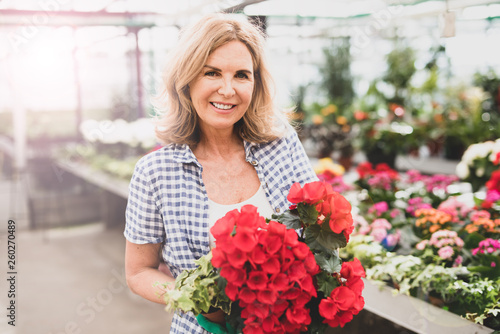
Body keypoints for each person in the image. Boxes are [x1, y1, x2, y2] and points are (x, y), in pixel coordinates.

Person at [124, 13, 318, 333]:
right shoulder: (154, 172)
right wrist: (199, 300)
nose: (227, 90)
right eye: (212, 72)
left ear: (255, 84)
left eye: (241, 75)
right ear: (186, 80)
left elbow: (316, 229)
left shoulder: (281, 144)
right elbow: (138, 272)